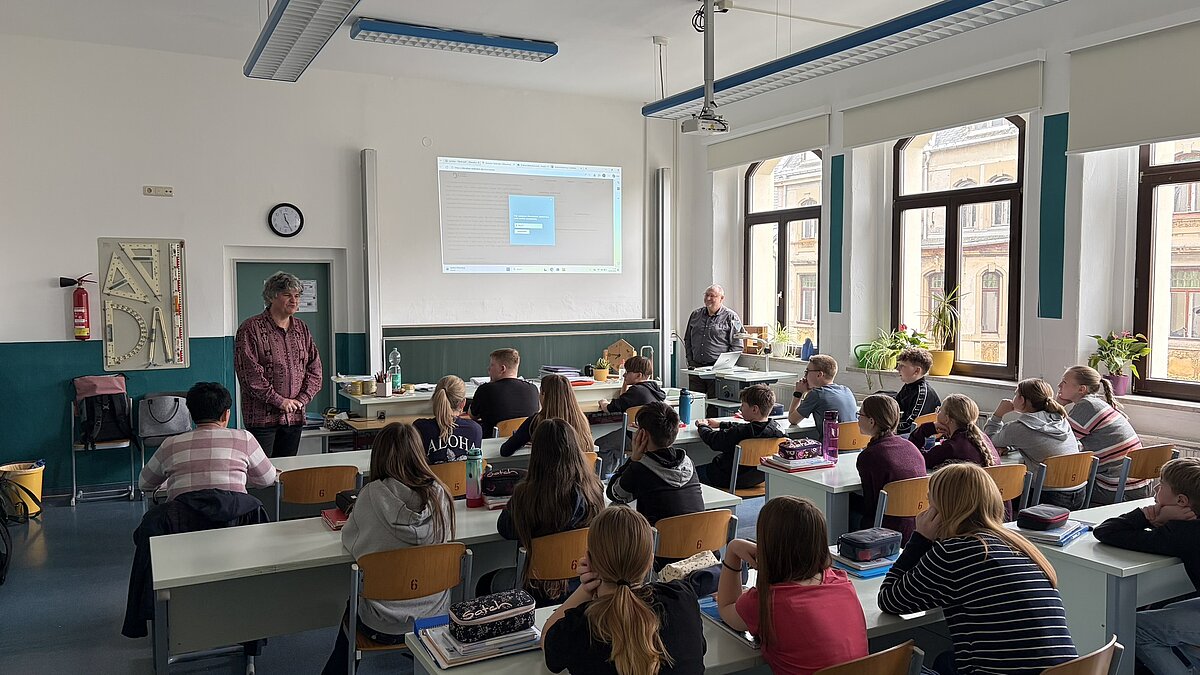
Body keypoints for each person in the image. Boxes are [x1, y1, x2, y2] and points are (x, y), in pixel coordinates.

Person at [878, 463, 1077, 675]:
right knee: (946, 661)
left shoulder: (954, 552)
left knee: (902, 667)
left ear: (942, 510)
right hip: (1065, 670)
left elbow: (889, 599)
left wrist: (920, 538)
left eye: (930, 502)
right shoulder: (1018, 545)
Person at [321, 423, 455, 675]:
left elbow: (352, 544)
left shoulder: (370, 495)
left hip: (382, 624)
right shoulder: (441, 496)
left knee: (352, 603)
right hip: (435, 618)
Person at [542, 506, 707, 675]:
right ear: (650, 562)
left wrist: (585, 590)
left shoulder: (579, 628)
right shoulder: (681, 599)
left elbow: (547, 642)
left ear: (589, 561)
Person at [716, 496, 868, 675]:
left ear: (767, 546)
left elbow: (726, 607)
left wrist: (733, 550)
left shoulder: (766, 602)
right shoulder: (842, 582)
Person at [1093, 458, 1200, 675]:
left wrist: (1145, 515)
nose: (1156, 488)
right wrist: (1167, 520)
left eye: (1162, 484)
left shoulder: (1183, 533)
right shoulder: (1184, 530)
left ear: (1181, 500)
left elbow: (1106, 531)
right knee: (1169, 611)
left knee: (1135, 628)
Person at [481, 419, 605, 603]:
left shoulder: (527, 494)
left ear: (537, 454)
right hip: (581, 583)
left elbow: (505, 529)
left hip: (535, 586)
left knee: (484, 582)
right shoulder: (594, 489)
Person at [234, 271, 323, 457]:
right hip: (262, 419)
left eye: (297, 295)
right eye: (287, 295)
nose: (294, 300)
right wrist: (280, 401)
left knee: (288, 470)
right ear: (271, 297)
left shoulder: (302, 328)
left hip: (294, 416)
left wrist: (302, 399)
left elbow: (315, 369)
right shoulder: (250, 328)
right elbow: (249, 375)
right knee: (262, 472)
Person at [139, 381, 277, 500]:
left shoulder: (170, 444)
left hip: (183, 520)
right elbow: (267, 479)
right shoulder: (244, 439)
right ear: (225, 415)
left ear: (190, 414)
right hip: (234, 518)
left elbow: (144, 484)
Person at [984, 378, 1082, 507]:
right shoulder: (1059, 419)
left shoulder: (1019, 428)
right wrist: (1010, 446)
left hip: (1049, 496)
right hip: (1079, 492)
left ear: (1022, 400)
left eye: (1016, 394)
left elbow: (988, 441)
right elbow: (1036, 442)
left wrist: (998, 414)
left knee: (993, 494)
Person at [1057, 365, 1145, 504]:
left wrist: (1057, 405)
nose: (1059, 385)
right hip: (1135, 487)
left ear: (1081, 389)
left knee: (1052, 490)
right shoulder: (1096, 403)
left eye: (1064, 382)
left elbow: (1060, 442)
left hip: (1117, 490)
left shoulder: (1087, 406)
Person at [606, 402, 704, 527]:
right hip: (699, 536)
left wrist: (634, 458)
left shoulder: (640, 467)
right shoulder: (688, 462)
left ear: (643, 434)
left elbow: (614, 494)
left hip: (658, 538)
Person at [854, 395, 926, 543]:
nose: (858, 419)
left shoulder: (869, 456)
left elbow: (870, 506)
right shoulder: (911, 447)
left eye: (860, 415)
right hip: (917, 527)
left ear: (872, 421)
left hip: (884, 530)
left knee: (840, 509)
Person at [694, 384, 783, 490]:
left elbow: (714, 439)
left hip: (727, 478)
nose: (740, 408)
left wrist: (702, 426)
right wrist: (721, 424)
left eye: (743, 405)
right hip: (757, 479)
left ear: (754, 409)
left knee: (690, 473)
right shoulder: (777, 431)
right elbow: (748, 428)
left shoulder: (740, 432)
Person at [595, 356, 667, 475]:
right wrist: (625, 383)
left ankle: (603, 479)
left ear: (638, 375)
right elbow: (624, 399)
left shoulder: (636, 391)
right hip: (654, 438)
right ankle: (612, 475)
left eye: (627, 372)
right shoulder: (654, 390)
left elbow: (610, 408)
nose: (624, 375)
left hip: (636, 437)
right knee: (615, 446)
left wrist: (603, 403)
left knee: (601, 444)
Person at [500, 374, 594, 457]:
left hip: (547, 472)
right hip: (579, 472)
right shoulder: (581, 420)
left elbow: (505, 451)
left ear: (544, 395)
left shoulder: (536, 421)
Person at [910, 393, 1000, 471]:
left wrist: (923, 430)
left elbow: (914, 458)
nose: (937, 413)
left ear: (947, 419)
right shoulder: (983, 439)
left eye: (939, 410)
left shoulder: (950, 447)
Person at [683, 284, 743, 398]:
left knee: (715, 403)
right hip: (696, 369)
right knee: (695, 401)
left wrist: (723, 365)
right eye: (706, 295)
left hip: (717, 371)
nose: (708, 298)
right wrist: (690, 360)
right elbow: (688, 339)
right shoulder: (695, 315)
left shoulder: (731, 317)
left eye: (712, 296)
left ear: (721, 298)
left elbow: (737, 345)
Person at [470, 348, 540, 438]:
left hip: (493, 443)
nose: (488, 369)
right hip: (525, 443)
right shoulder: (533, 389)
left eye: (492, 365)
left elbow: (472, 415)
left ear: (502, 369)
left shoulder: (485, 389)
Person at [412, 375, 482, 464]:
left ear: (435, 399)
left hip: (432, 474)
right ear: (463, 403)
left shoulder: (419, 428)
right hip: (463, 474)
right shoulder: (475, 430)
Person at [788, 354, 858, 439]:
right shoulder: (846, 390)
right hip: (853, 443)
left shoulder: (817, 394)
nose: (805, 376)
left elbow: (793, 419)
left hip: (831, 445)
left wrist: (798, 393)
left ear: (819, 374)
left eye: (807, 372)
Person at [892, 347, 941, 435]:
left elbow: (910, 426)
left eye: (902, 366)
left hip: (918, 437)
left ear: (917, 371)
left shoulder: (921, 393)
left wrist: (885, 427)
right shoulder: (908, 386)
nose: (897, 368)